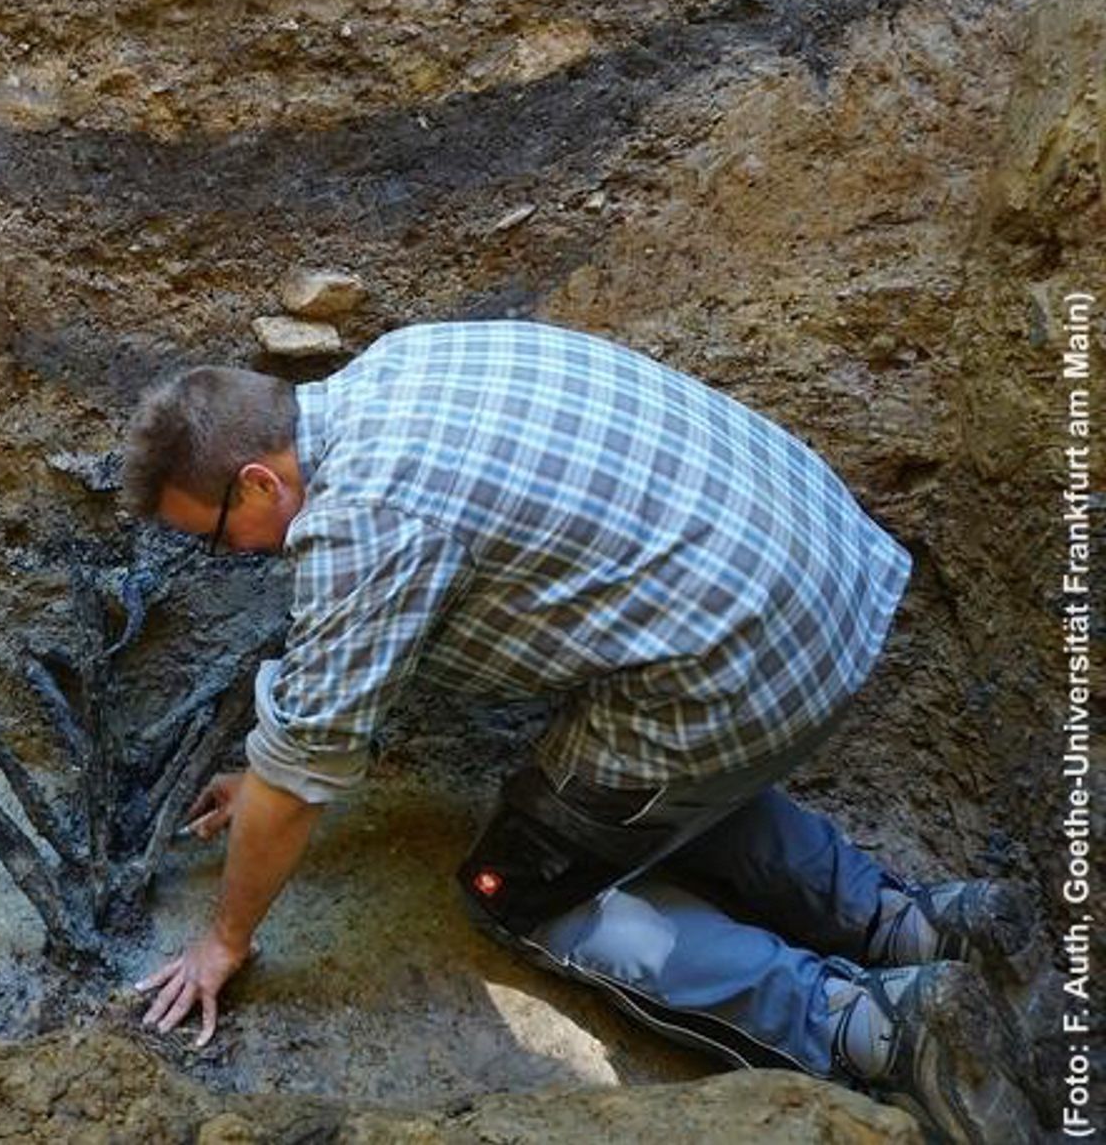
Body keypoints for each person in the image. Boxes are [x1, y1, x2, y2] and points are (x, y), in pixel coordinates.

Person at [122, 320, 1046, 1145]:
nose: (232, 558)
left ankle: (874, 1025)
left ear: (255, 480)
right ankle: (916, 925)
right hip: (818, 572)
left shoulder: (361, 520)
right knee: (622, 785)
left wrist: (226, 940)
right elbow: (360, 670)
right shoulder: (397, 366)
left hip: (752, 661)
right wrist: (277, 772)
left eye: (215, 537)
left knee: (523, 887)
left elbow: (301, 776)